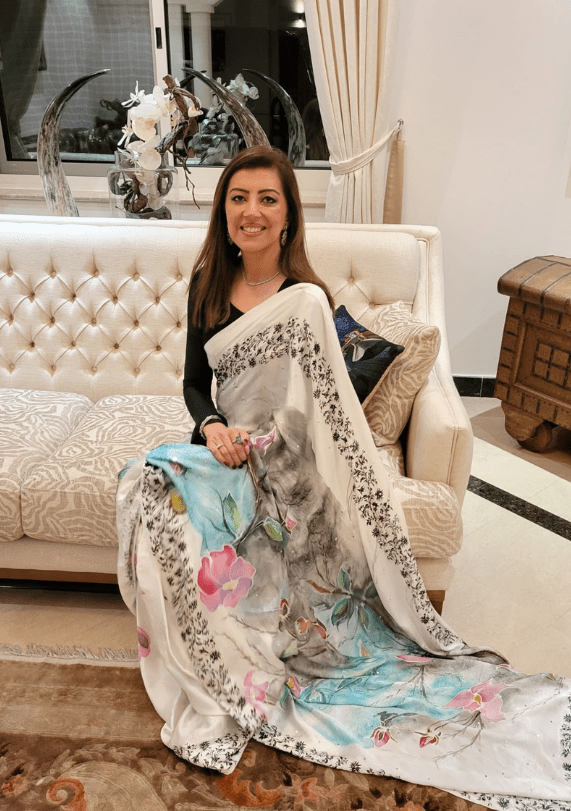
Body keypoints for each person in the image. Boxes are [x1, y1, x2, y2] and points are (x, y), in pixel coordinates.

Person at [117, 146, 571, 809]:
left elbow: (323, 411)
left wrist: (273, 449)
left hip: (285, 463)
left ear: (287, 216)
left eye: (267, 199)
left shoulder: (307, 300)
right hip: (224, 450)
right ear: (223, 210)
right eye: (238, 198)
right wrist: (212, 425)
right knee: (146, 482)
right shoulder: (206, 283)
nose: (251, 211)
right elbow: (193, 383)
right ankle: (208, 651)